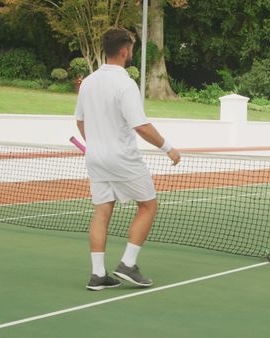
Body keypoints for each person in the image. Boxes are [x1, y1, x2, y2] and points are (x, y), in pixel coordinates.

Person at [75, 27, 181, 291]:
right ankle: (127, 264)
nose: (131, 52)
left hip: (95, 159)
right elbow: (141, 126)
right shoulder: (125, 83)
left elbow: (80, 121)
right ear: (124, 51)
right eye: (131, 48)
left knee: (102, 211)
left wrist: (96, 145)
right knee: (148, 205)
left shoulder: (88, 82)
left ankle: (98, 275)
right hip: (122, 159)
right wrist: (168, 148)